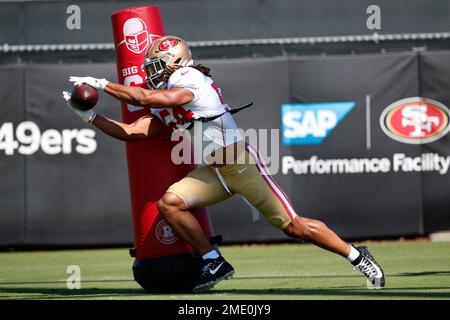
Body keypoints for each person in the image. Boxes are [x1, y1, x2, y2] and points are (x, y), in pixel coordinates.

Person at [62, 35, 385, 292]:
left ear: (176, 62)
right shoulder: (170, 94)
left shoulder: (187, 79)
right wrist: (90, 116)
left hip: (241, 166)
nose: (152, 72)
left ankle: (357, 256)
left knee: (293, 226)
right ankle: (213, 259)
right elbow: (133, 132)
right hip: (217, 171)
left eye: (158, 65)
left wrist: (103, 85)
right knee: (170, 203)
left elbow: (144, 99)